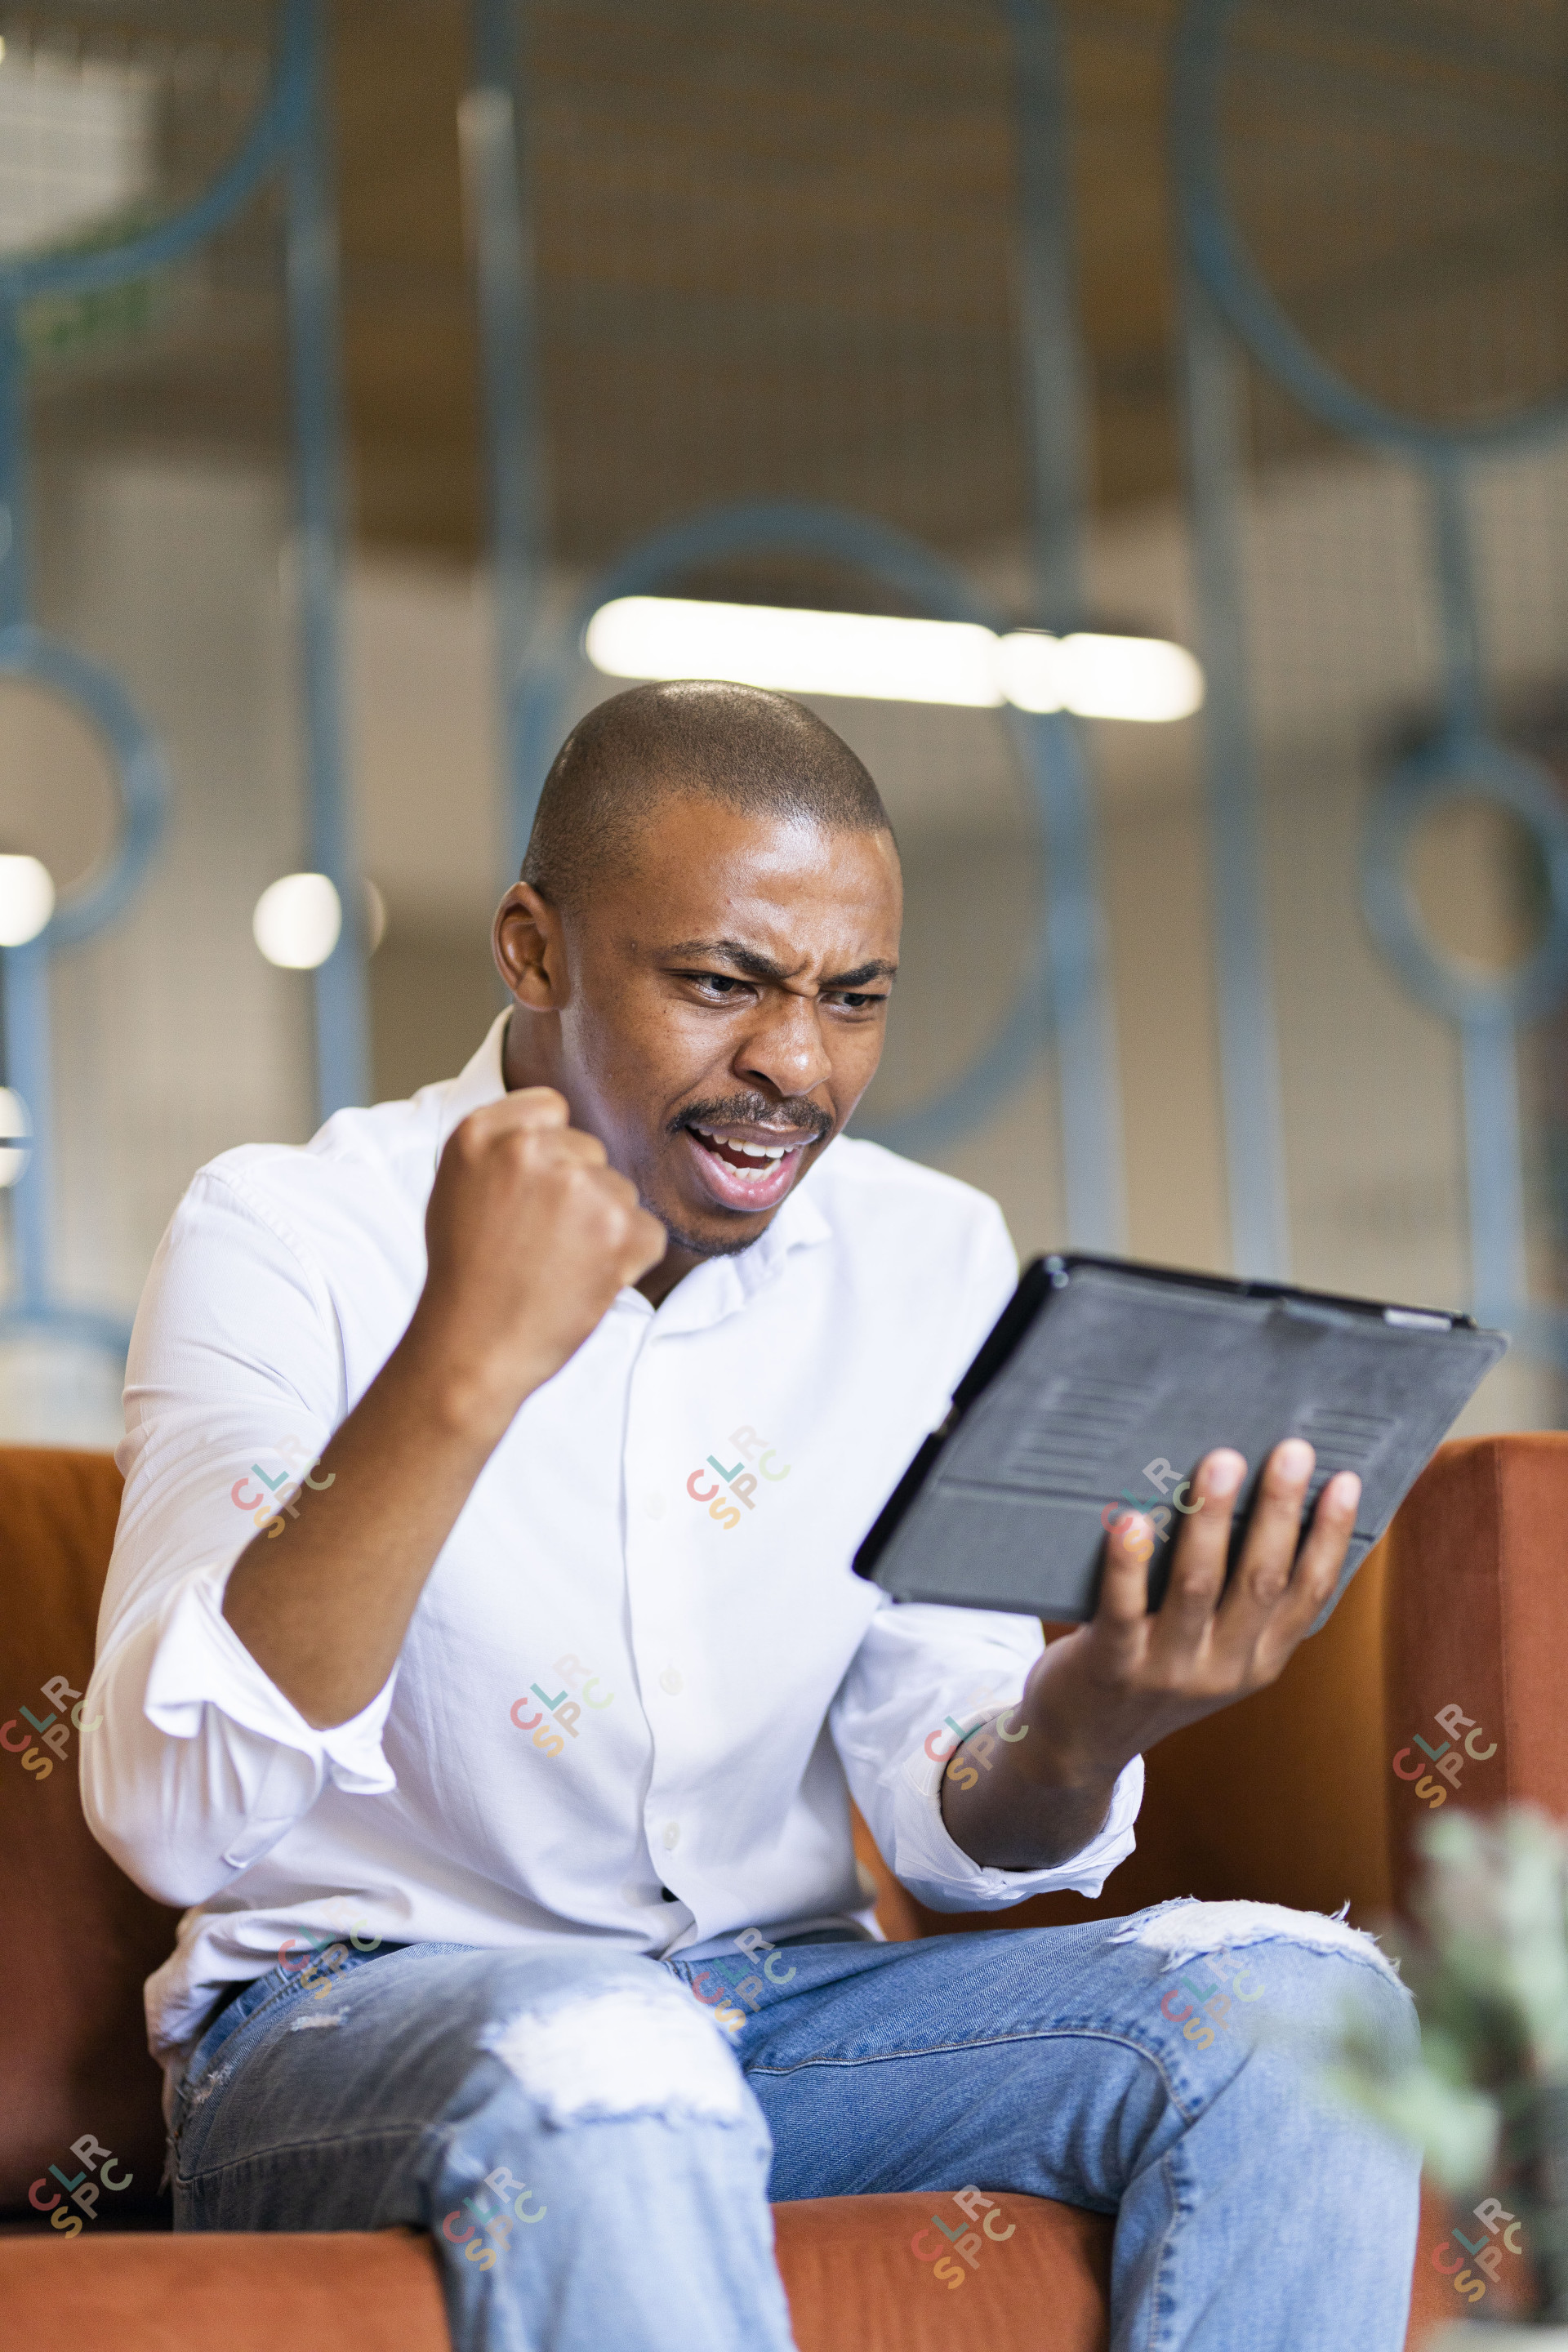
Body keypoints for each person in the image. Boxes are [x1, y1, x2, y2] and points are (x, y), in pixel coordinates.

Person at [83, 680, 1417, 2351]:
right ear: (533, 948)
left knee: (1310, 2009)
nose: (795, 1064)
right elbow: (170, 1815)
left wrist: (1092, 1717)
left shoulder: (925, 1255)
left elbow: (952, 1799)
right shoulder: (290, 1235)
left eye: (852, 999)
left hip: (779, 2010)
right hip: (347, 2024)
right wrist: (459, 1364)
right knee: (610, 2046)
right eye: (722, 983)